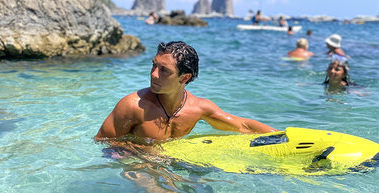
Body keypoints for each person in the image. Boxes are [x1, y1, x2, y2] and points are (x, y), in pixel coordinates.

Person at [95, 41, 277, 143]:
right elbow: (102, 143)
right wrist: (139, 156)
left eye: (163, 70)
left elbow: (242, 126)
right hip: (137, 164)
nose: (153, 74)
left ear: (184, 78)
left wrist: (282, 136)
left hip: (173, 159)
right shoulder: (132, 105)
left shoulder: (198, 108)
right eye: (153, 65)